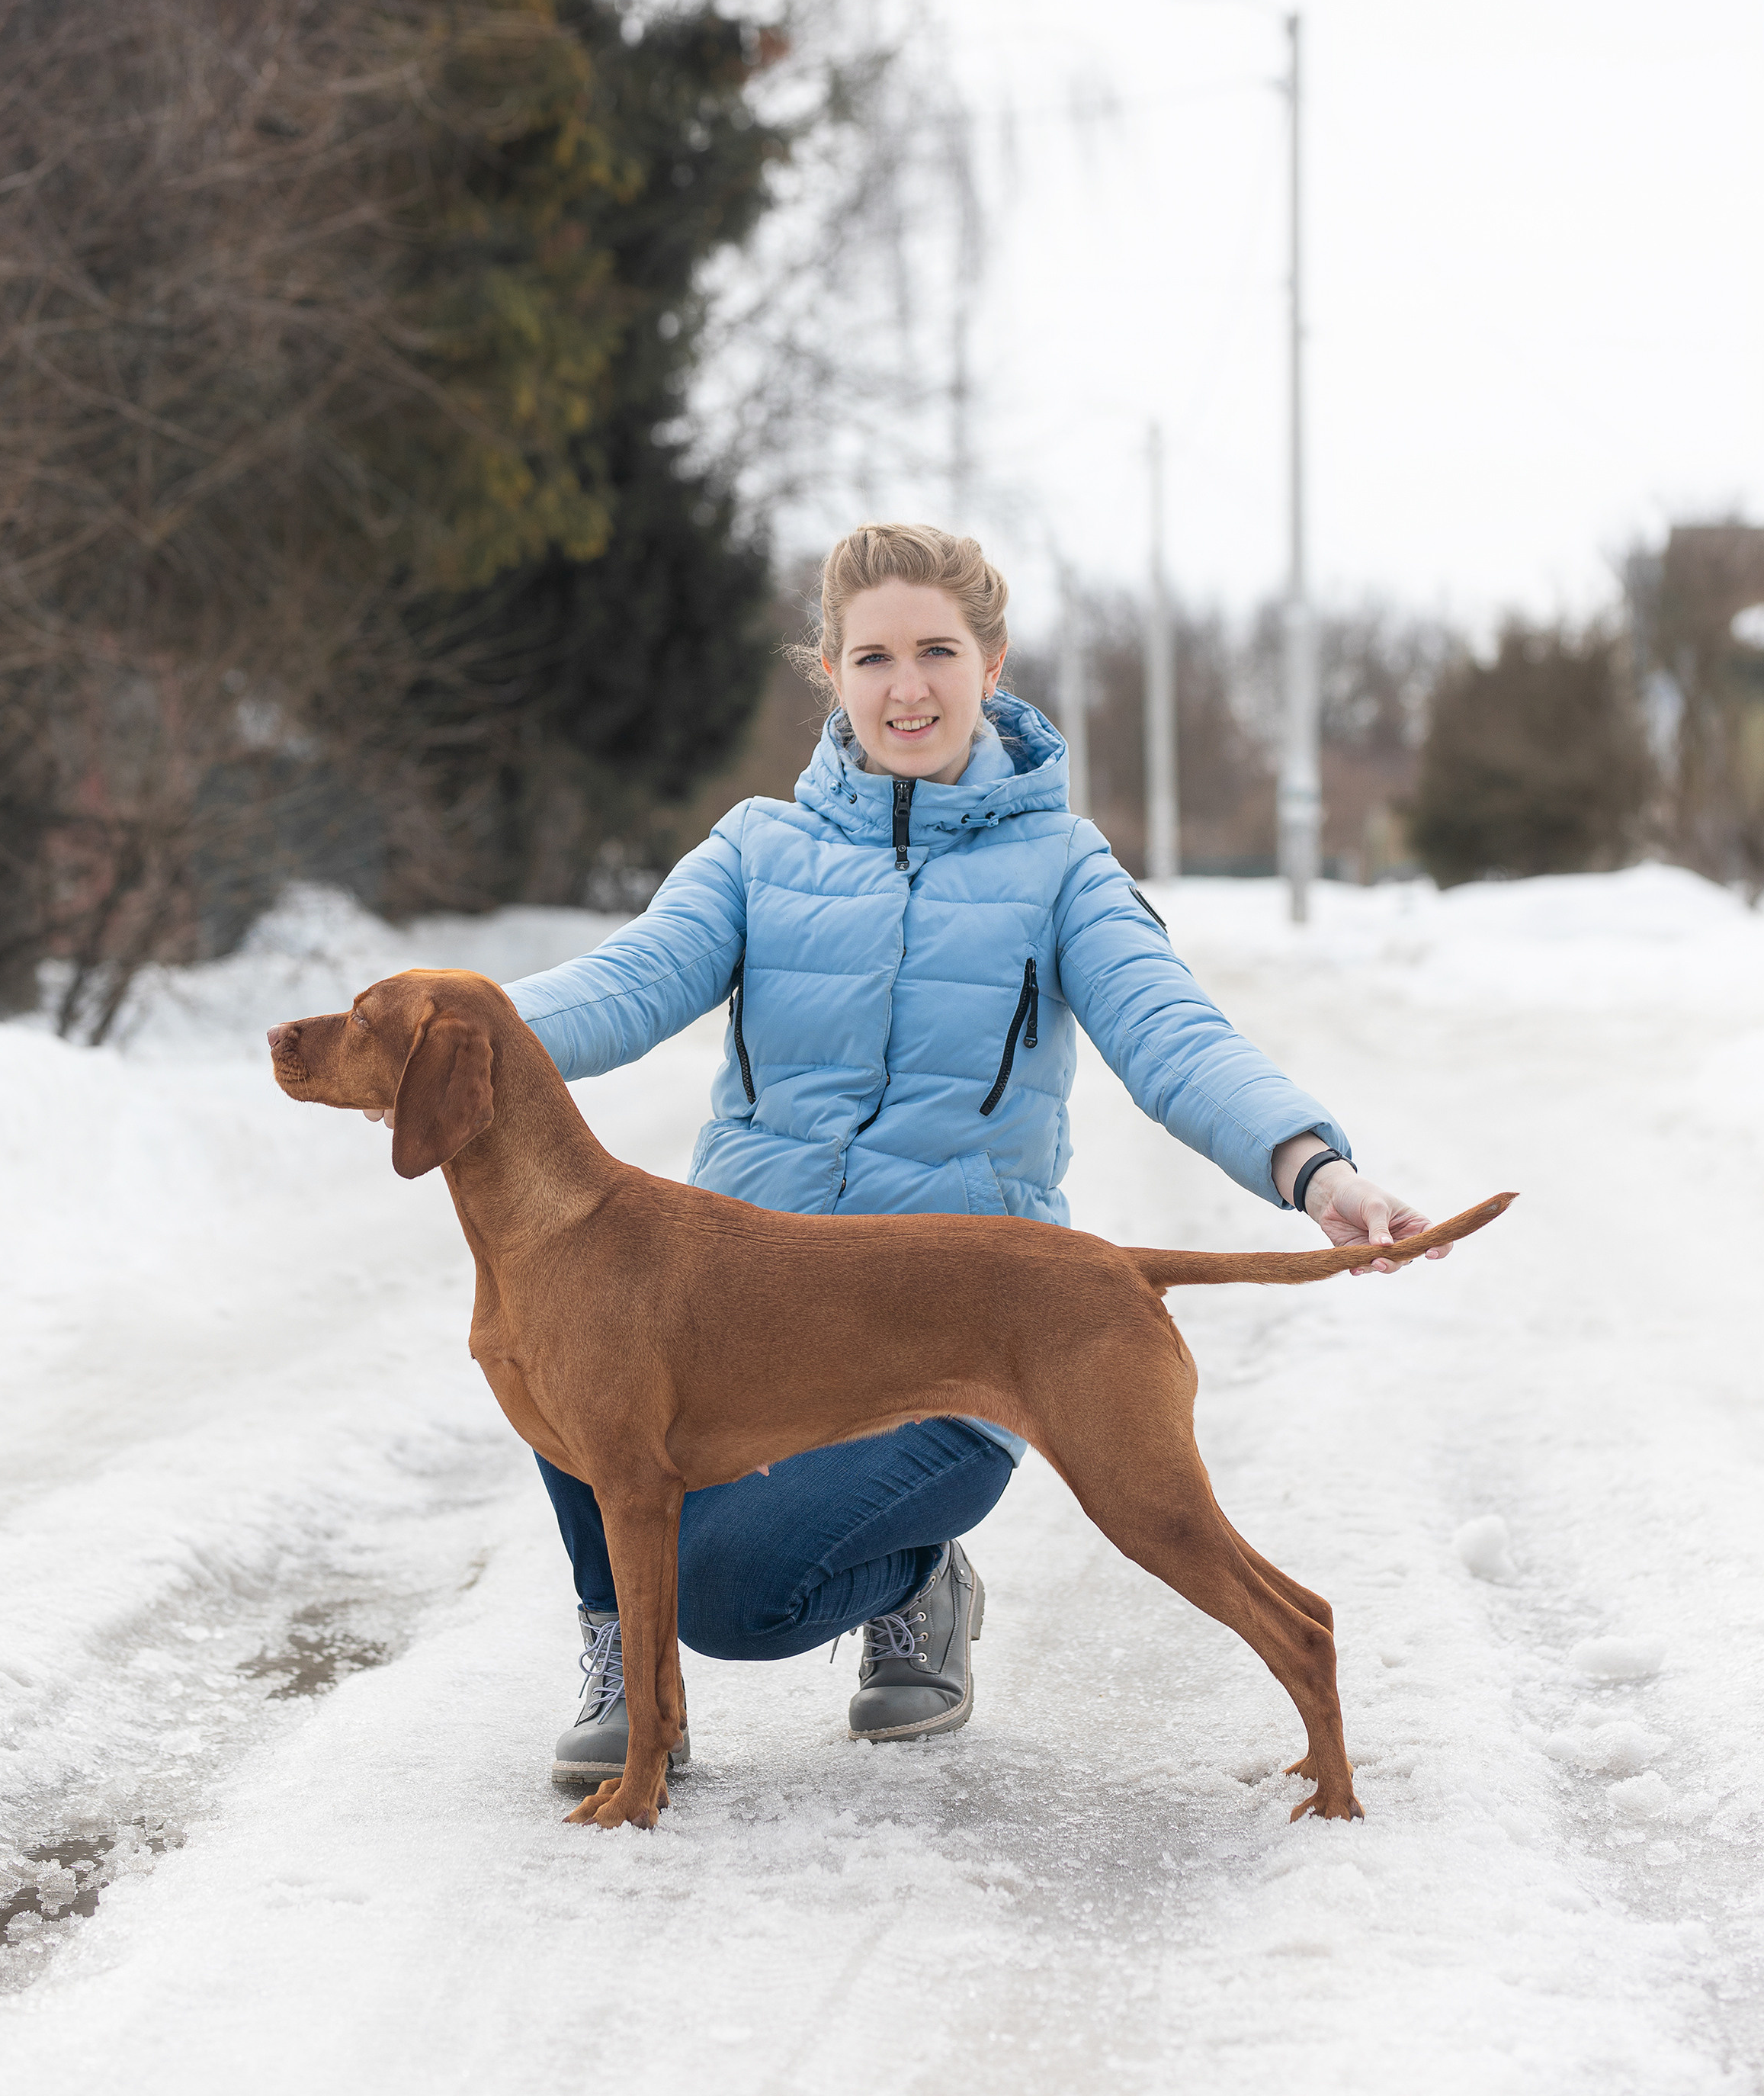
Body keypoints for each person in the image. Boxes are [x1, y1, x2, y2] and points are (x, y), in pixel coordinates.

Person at [476, 524, 1444, 1788]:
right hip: (741, 1307)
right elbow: (627, 983)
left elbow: (1171, 1032)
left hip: (949, 1336)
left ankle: (919, 1584)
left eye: (938, 650)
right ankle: (621, 1649)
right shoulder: (758, 851)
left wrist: (1315, 1168)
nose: (908, 686)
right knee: (568, 1334)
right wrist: (449, 1039)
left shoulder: (1062, 867)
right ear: (829, 671)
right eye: (872, 657)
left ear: (992, 661)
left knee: (736, 1594)